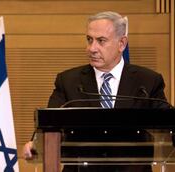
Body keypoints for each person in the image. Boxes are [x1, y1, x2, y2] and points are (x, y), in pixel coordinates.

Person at [23, 11, 170, 172]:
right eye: (89, 40)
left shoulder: (147, 81)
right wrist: (35, 144)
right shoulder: (68, 80)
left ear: (122, 43)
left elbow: (168, 125)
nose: (92, 48)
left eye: (101, 41)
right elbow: (50, 124)